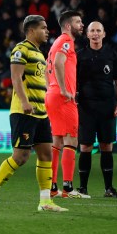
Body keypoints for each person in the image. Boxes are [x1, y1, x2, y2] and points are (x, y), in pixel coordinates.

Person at [0, 15, 67, 213]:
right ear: (31, 30)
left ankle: (45, 201)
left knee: (46, 154)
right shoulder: (21, 49)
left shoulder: (38, 53)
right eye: (43, 28)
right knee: (21, 156)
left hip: (41, 113)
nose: (47, 31)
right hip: (24, 112)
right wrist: (25, 102)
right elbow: (15, 78)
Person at [75, 21, 117, 198]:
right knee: (85, 146)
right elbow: (73, 82)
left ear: (104, 34)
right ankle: (82, 188)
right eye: (92, 31)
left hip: (107, 108)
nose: (95, 34)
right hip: (86, 107)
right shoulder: (79, 56)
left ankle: (109, 188)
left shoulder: (112, 54)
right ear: (87, 35)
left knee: (106, 146)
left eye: (98, 31)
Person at [45, 10, 89, 199]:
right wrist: (63, 89)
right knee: (71, 141)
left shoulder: (55, 43)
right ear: (69, 25)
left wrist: (52, 88)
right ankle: (68, 188)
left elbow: (48, 69)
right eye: (79, 22)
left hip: (52, 96)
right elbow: (58, 63)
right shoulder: (66, 41)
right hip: (63, 98)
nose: (82, 25)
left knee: (57, 142)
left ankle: (53, 186)